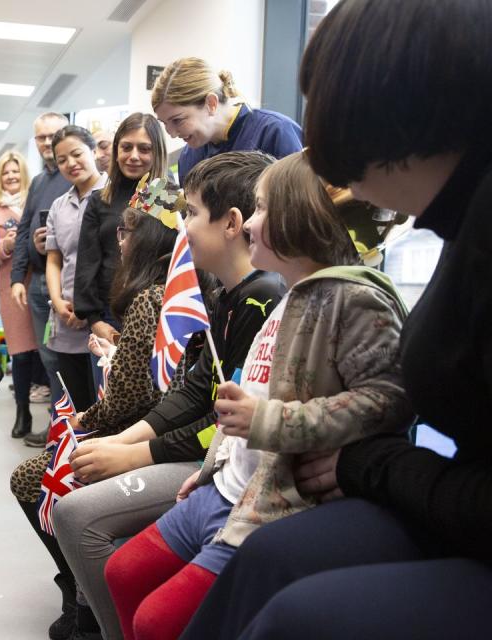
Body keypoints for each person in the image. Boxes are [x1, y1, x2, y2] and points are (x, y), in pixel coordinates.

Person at [182, 1, 492, 637]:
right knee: (269, 561)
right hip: (437, 491)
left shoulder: (352, 292)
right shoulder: (463, 223)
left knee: (296, 615)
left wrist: (371, 467)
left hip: (451, 502)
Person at [105, 151, 412, 639]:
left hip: (270, 503)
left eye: (264, 209)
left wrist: (265, 421)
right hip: (228, 485)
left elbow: (386, 400)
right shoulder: (291, 295)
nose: (250, 221)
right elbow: (248, 397)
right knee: (123, 571)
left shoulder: (354, 298)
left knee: (157, 620)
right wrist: (213, 467)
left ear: (299, 220)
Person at [54, 152, 285, 640]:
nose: (182, 228)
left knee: (75, 514)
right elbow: (196, 391)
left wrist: (137, 454)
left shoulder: (262, 299)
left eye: (193, 214)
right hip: (201, 457)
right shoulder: (224, 293)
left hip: (220, 465)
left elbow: (222, 424)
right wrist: (125, 443)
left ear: (231, 223)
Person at [10, 179, 185, 640]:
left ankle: (77, 591)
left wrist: (82, 420)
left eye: (127, 232)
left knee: (29, 480)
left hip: (142, 434)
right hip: (149, 426)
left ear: (148, 237)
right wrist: (116, 352)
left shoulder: (149, 299)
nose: (119, 240)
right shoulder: (174, 290)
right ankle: (76, 590)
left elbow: (128, 396)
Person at [74, 113, 167, 343]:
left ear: (157, 153)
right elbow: (87, 264)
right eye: (127, 147)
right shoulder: (99, 201)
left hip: (157, 315)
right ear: (116, 151)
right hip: (108, 318)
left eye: (144, 149)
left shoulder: (168, 199)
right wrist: (95, 322)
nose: (134, 156)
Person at [10, 112, 71, 445]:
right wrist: (17, 277)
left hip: (66, 285)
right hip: (36, 284)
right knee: (48, 357)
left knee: (65, 359)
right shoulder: (39, 182)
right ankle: (56, 426)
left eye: (54, 136)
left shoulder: (74, 175)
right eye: (41, 138)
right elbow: (22, 232)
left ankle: (62, 429)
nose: (48, 143)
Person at [151, 57, 302, 185]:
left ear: (211, 103)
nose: (171, 134)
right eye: (164, 123)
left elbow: (299, 205)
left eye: (177, 120)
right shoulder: (189, 157)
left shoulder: (275, 133)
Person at [45, 125, 106, 412]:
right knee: (74, 404)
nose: (71, 163)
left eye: (77, 154)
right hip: (67, 317)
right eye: (62, 160)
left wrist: (88, 309)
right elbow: (54, 259)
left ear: (94, 152)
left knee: (104, 404)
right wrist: (58, 302)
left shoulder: (114, 194)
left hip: (104, 318)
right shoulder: (59, 206)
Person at [0, 150, 41, 438]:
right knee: (21, 355)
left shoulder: (37, 202)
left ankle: (54, 415)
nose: (11, 177)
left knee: (47, 355)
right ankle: (22, 413)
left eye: (15, 171)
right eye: (5, 173)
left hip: (43, 283)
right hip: (12, 288)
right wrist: (6, 246)